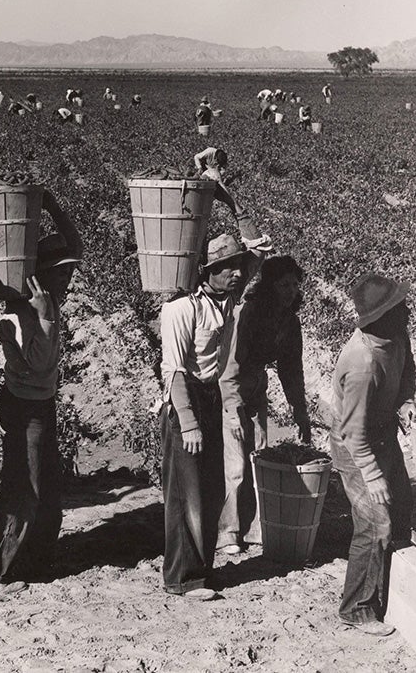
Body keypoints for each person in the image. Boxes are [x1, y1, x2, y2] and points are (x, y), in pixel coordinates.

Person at [0, 193, 82, 597]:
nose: (68, 281)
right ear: (40, 277)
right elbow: (37, 362)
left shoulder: (48, 299)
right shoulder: (17, 315)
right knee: (25, 488)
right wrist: (47, 318)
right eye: (61, 275)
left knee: (48, 487)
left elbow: (76, 246)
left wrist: (52, 206)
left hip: (42, 405)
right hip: (26, 409)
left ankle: (38, 559)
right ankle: (3, 571)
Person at [158, 234, 267, 601]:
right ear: (208, 272)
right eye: (227, 267)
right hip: (185, 401)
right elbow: (173, 371)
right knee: (186, 494)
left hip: (211, 397)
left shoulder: (227, 299)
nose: (238, 273)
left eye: (239, 266)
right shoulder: (181, 309)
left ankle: (202, 570)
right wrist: (188, 422)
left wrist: (226, 197)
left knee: (210, 489)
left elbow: (258, 251)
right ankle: (183, 577)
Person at [330, 274, 416, 637]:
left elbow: (408, 368)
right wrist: (372, 475)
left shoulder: (396, 336)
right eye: (400, 307)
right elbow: (353, 433)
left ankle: (392, 594)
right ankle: (357, 608)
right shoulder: (362, 363)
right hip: (356, 447)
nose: (408, 311)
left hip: (381, 435)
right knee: (373, 522)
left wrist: (407, 398)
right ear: (379, 317)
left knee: (400, 512)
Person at [217, 256, 311, 555]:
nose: (291, 291)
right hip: (231, 384)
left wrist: (299, 410)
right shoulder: (248, 313)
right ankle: (227, 532)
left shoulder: (288, 320)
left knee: (258, 454)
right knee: (234, 463)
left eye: (295, 285)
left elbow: (291, 368)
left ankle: (256, 527)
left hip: (256, 384)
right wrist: (232, 410)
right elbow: (229, 365)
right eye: (284, 285)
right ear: (269, 286)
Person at [192, 147, 271, 249]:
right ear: (215, 160)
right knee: (232, 205)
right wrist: (199, 169)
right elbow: (197, 157)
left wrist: (221, 185)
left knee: (231, 204)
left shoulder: (215, 171)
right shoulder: (208, 152)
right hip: (205, 174)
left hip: (210, 179)